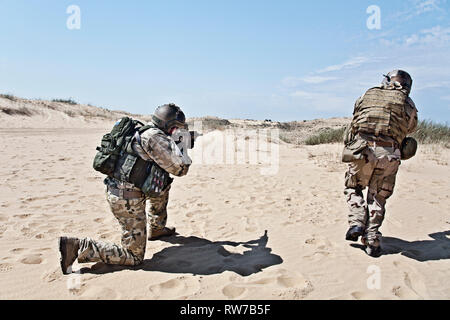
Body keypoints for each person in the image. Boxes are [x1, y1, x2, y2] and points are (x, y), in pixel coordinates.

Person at [59, 104, 193, 274]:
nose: (177, 131)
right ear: (170, 126)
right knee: (134, 257)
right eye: (176, 128)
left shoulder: (141, 128)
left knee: (163, 184)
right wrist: (183, 146)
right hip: (127, 201)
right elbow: (181, 169)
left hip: (119, 190)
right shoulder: (154, 138)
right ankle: (78, 247)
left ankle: (157, 228)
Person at [343, 70, 418, 257]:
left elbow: (355, 119)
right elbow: (411, 127)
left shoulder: (367, 95)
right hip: (389, 153)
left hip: (362, 150)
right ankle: (372, 240)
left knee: (354, 187)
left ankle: (357, 222)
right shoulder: (407, 103)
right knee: (378, 197)